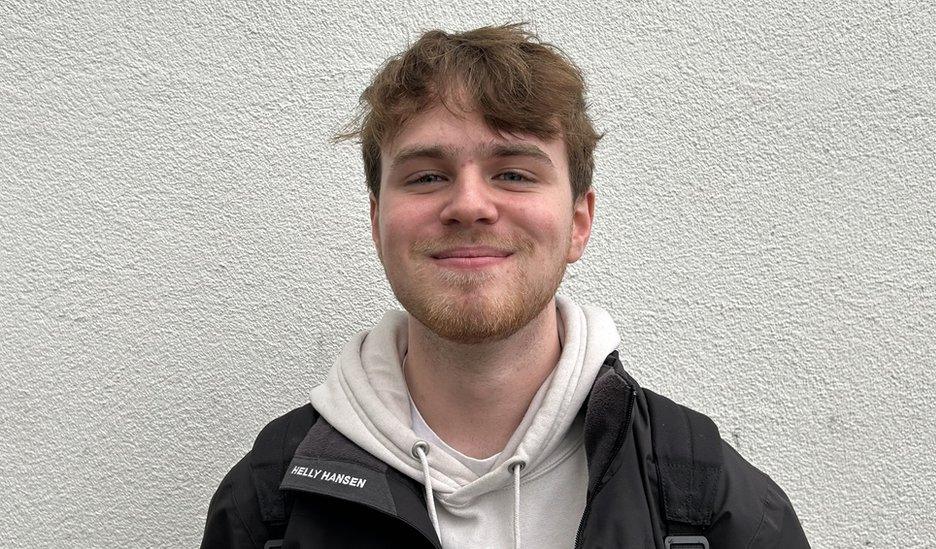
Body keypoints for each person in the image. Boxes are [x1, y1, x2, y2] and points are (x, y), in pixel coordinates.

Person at [201, 23, 809, 549]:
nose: (469, 204)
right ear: (376, 222)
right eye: (427, 176)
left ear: (578, 223)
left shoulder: (710, 506)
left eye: (513, 173)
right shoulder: (268, 507)